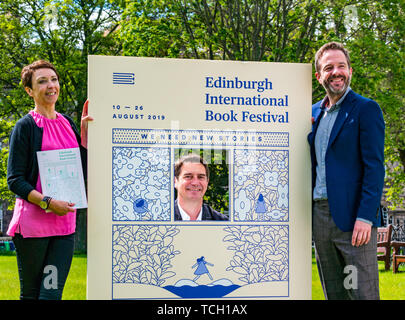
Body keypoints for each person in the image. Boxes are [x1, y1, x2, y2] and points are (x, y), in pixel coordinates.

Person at [6, 60, 93, 300]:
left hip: (64, 225)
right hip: (34, 227)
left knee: (52, 294)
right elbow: (15, 180)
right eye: (42, 81)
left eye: (53, 79)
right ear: (29, 90)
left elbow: (82, 169)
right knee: (33, 294)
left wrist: (85, 137)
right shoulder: (25, 127)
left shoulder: (67, 123)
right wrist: (47, 201)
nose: (50, 85)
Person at [308, 42, 385, 299]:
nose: (336, 72)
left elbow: (374, 168)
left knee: (362, 294)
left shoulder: (366, 109)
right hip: (319, 216)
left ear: (350, 71)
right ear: (319, 76)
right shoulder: (311, 114)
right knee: (335, 294)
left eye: (341, 66)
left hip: (354, 220)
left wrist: (365, 216)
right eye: (329, 67)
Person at [174, 154, 228, 221]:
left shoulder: (222, 222)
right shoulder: (160, 219)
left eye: (200, 177)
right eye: (188, 176)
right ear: (175, 181)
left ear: (207, 182)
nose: (195, 183)